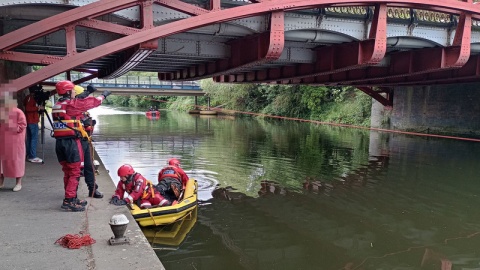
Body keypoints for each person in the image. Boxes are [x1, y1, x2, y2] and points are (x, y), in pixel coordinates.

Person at [52, 80, 110, 212]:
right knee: (75, 171)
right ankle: (69, 200)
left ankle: (71, 196)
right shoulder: (72, 105)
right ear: (68, 91)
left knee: (67, 171)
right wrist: (104, 95)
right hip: (71, 143)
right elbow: (92, 102)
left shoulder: (57, 104)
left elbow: (79, 102)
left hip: (59, 143)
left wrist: (87, 92)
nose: (74, 92)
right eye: (72, 90)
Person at [74, 85, 103, 199]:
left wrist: (90, 125)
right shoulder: (72, 108)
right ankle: (72, 193)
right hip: (76, 141)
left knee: (89, 166)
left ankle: (93, 189)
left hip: (85, 141)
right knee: (75, 168)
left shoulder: (83, 111)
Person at [0, 92, 27, 192]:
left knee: (16, 162)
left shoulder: (18, 112)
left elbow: (22, 125)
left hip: (15, 142)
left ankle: (18, 183)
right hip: (3, 141)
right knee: (2, 163)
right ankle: (1, 182)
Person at [23, 86, 44, 163]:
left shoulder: (29, 98)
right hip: (32, 121)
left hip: (30, 121)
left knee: (29, 139)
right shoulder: (30, 98)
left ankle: (29, 155)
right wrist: (38, 108)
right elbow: (28, 109)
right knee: (33, 139)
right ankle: (32, 156)